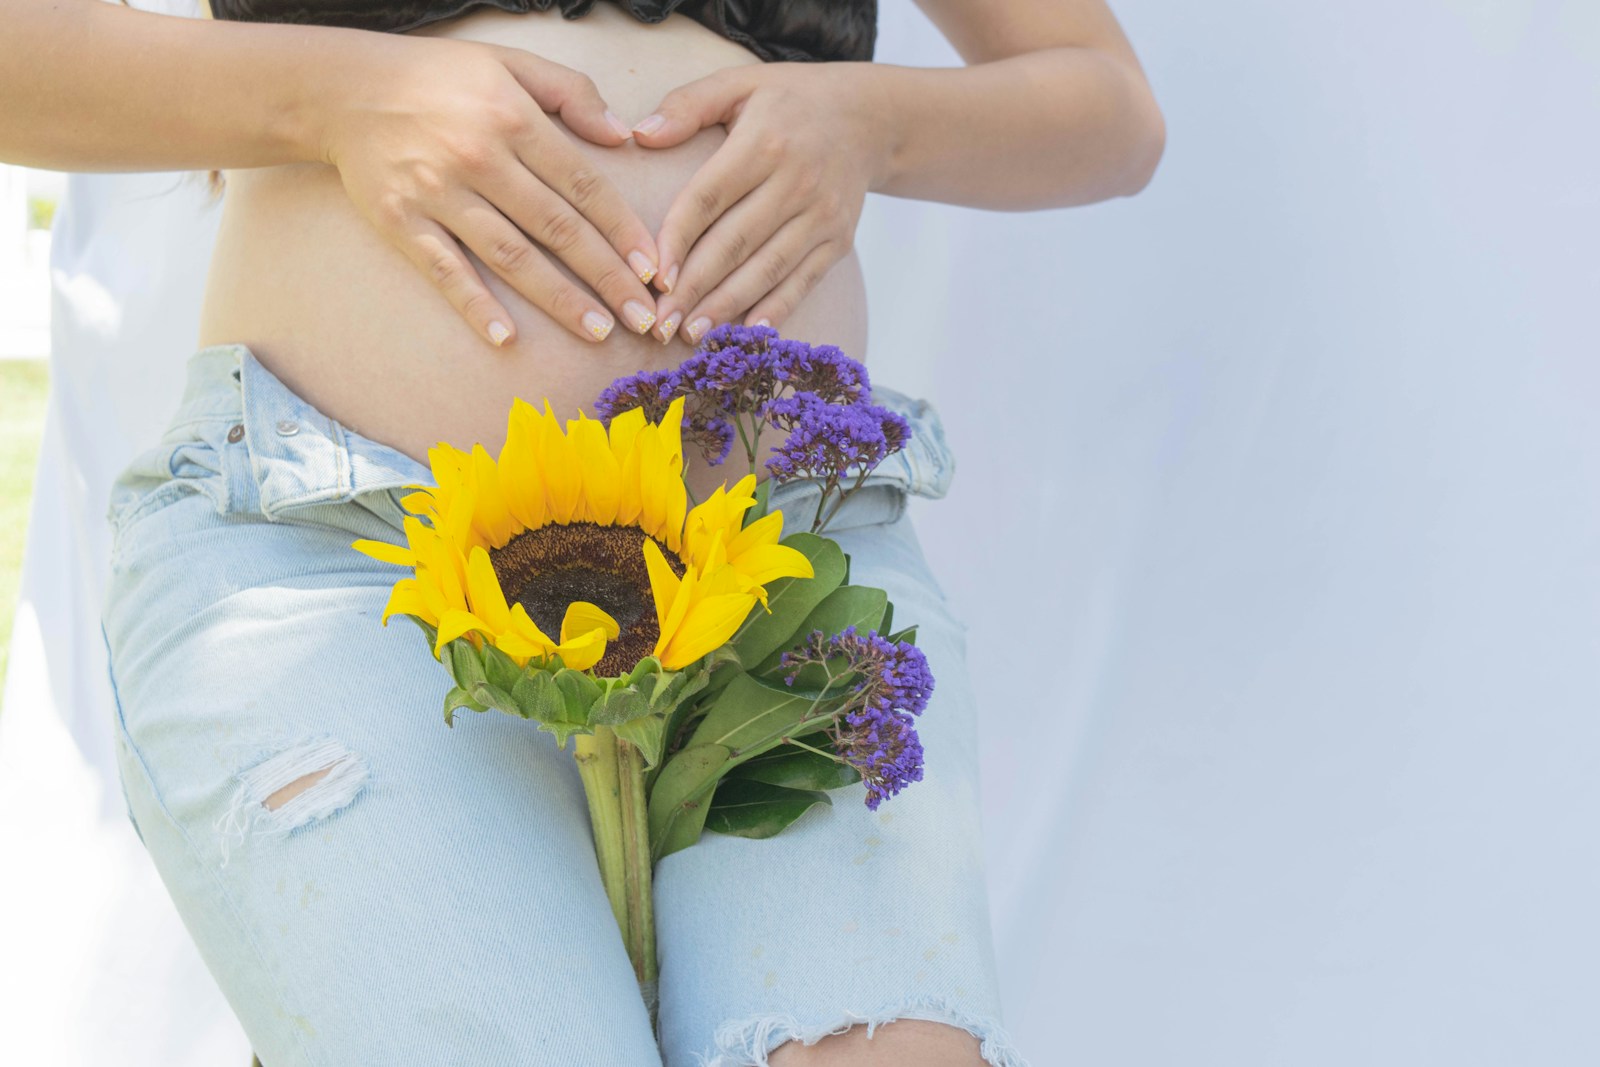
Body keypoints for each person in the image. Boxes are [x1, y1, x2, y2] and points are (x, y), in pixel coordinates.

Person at [2, 1, 1163, 1063]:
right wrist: (338, 96)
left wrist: (869, 125)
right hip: (345, 547)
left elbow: (1107, 108)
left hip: (777, 564)